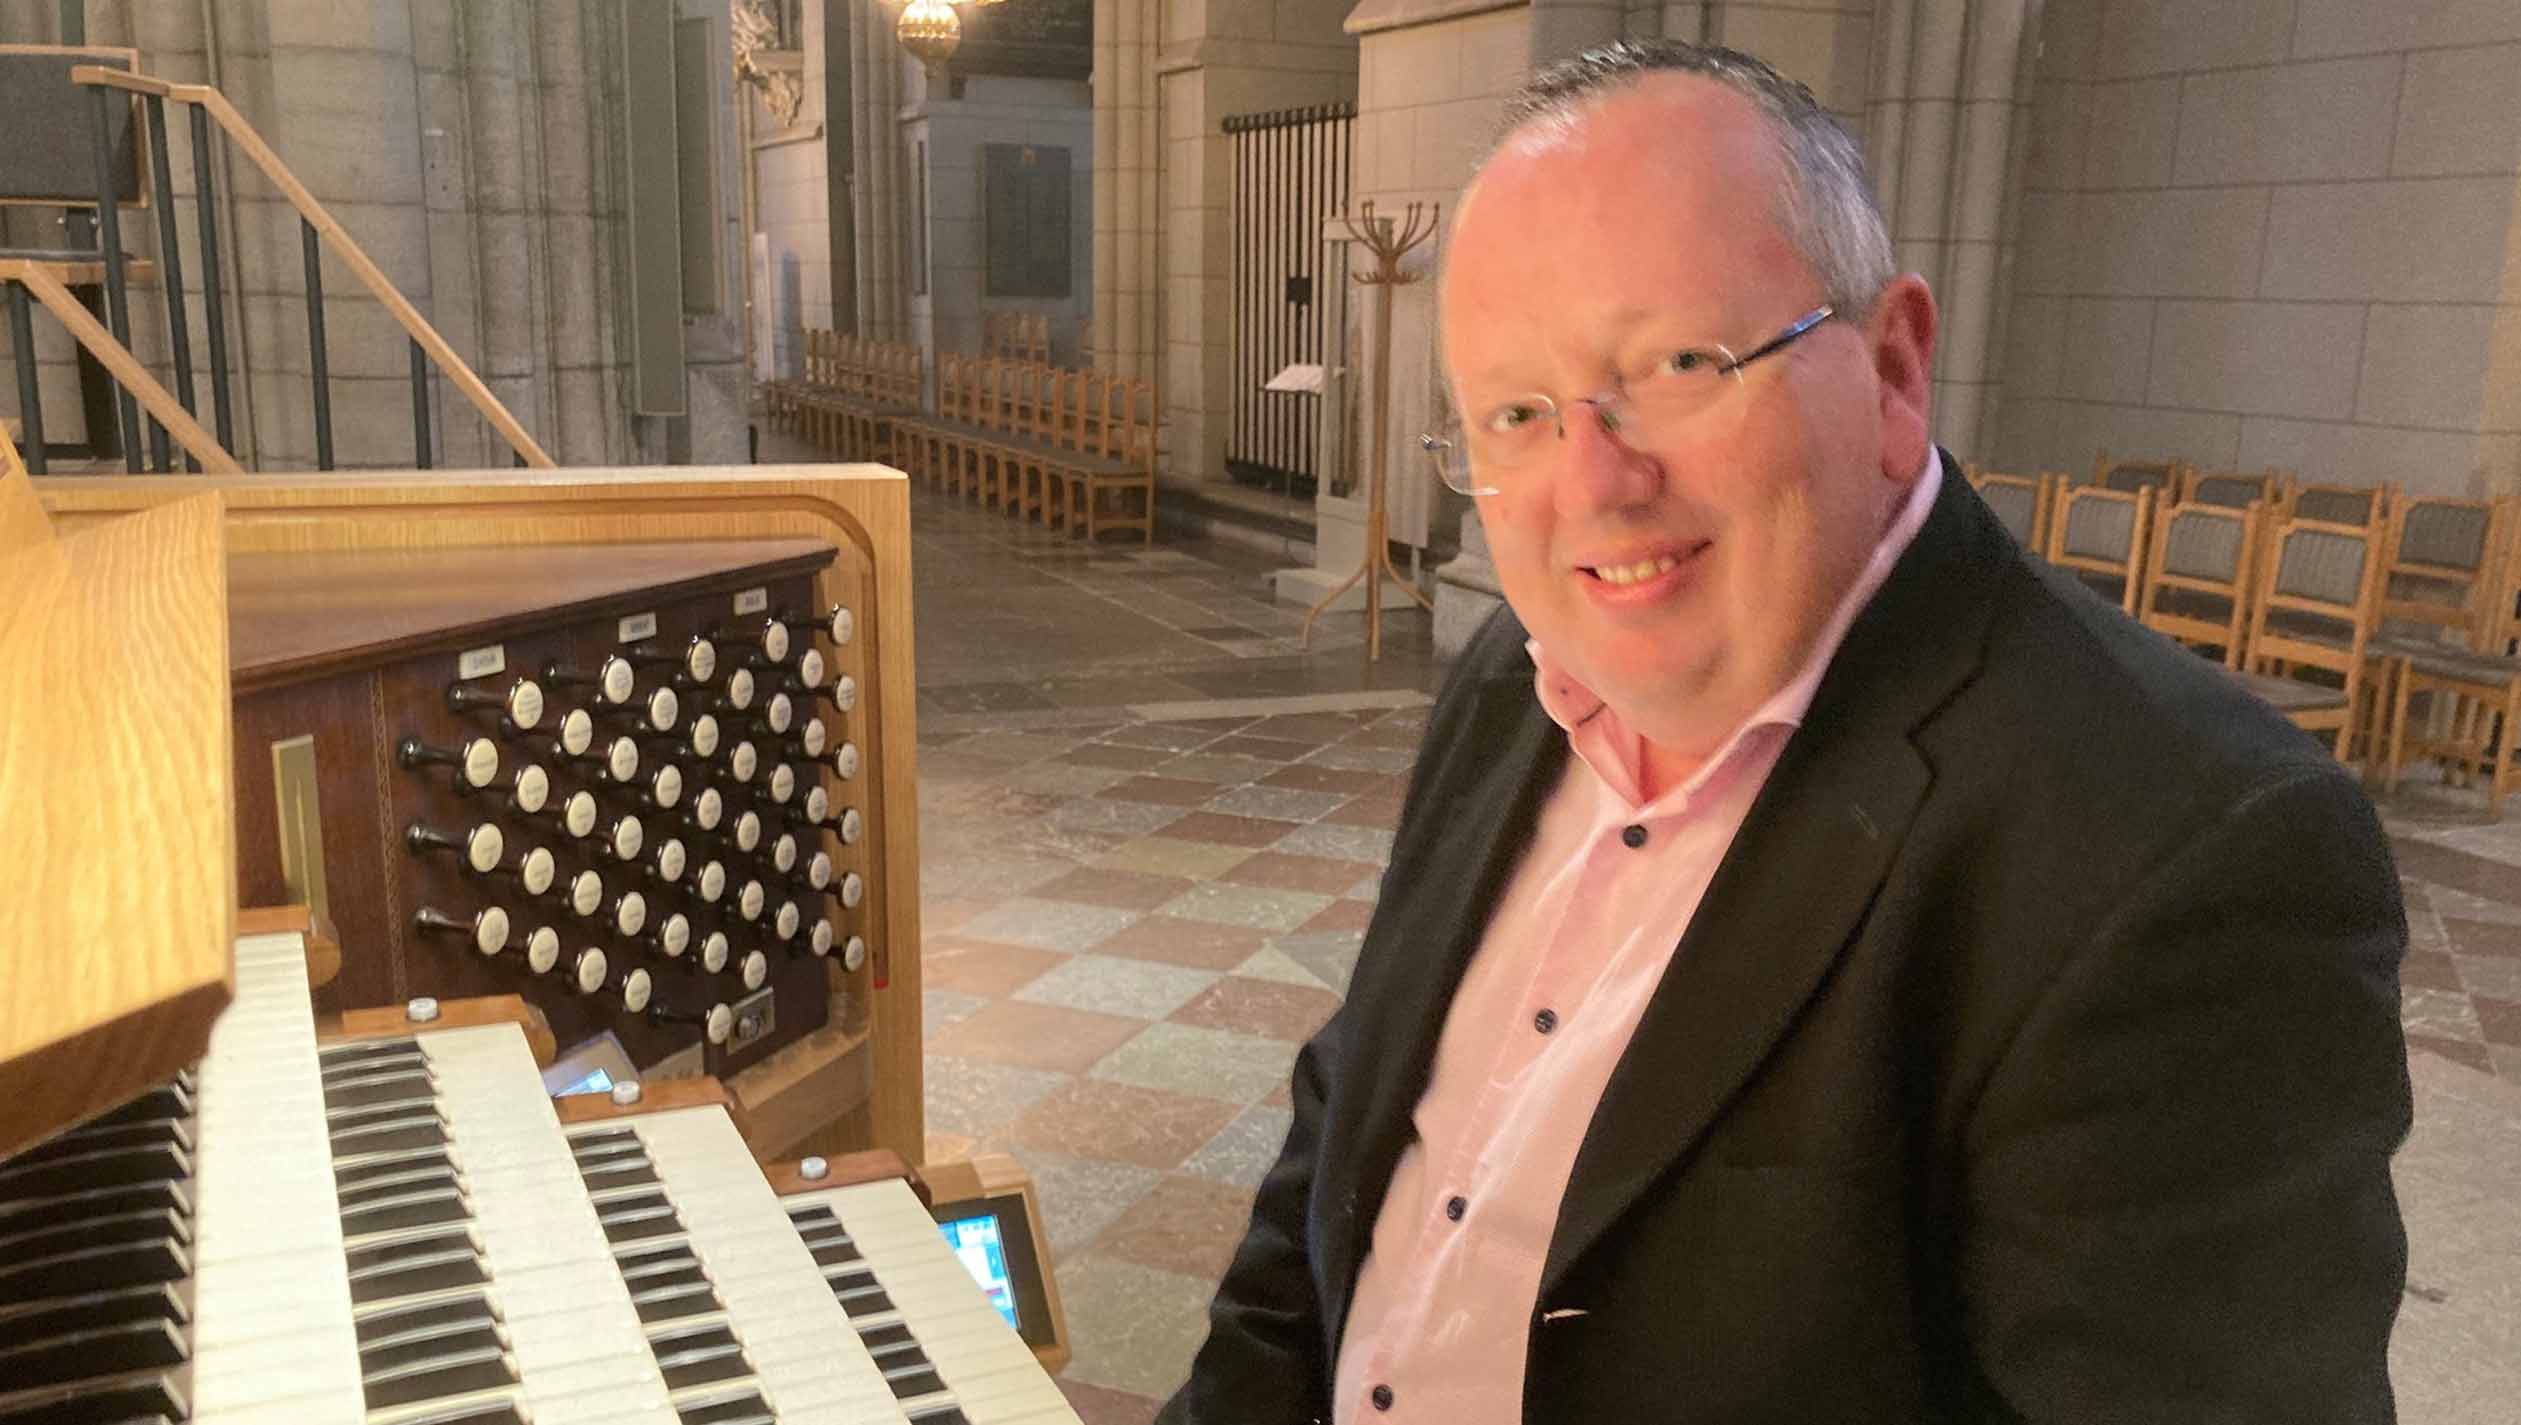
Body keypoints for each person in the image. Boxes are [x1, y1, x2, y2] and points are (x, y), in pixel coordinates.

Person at [1158, 39, 2411, 1425]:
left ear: (1889, 370)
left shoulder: (2182, 849)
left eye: (1679, 363)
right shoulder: (1517, 671)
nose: (1594, 482)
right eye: (1514, 412)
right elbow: (1348, 1134)